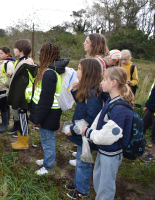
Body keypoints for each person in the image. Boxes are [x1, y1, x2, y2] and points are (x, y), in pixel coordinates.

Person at [81, 67, 133, 200]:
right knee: (99, 180)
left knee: (106, 186)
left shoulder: (120, 108)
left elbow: (107, 136)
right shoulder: (112, 101)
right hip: (104, 151)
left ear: (113, 83)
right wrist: (90, 132)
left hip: (111, 153)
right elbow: (99, 119)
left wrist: (88, 132)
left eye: (104, 80)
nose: (101, 83)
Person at [64, 58, 103, 199]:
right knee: (80, 160)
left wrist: (74, 129)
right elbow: (82, 105)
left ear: (88, 72)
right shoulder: (88, 90)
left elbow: (91, 117)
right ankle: (77, 183)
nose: (77, 71)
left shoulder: (93, 93)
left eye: (80, 69)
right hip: (82, 133)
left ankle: (82, 189)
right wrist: (75, 92)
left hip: (85, 134)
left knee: (84, 162)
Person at [29, 43, 67, 175]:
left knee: (48, 139)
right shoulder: (48, 69)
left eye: (41, 52)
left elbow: (46, 100)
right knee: (45, 137)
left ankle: (48, 167)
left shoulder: (50, 73)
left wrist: (38, 118)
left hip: (49, 112)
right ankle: (47, 159)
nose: (39, 54)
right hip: (46, 111)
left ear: (47, 55)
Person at [7, 39, 37, 149]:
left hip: (23, 98)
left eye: (15, 47)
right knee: (21, 118)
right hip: (22, 97)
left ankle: (24, 142)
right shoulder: (24, 61)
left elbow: (21, 85)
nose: (13, 49)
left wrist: (15, 99)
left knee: (23, 119)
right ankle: (20, 139)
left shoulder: (24, 64)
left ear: (21, 50)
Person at [0, 46, 15, 133]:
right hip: (1, 87)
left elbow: (10, 77)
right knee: (4, 104)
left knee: (2, 105)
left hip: (6, 88)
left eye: (1, 53)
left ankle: (5, 124)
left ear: (7, 54)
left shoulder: (9, 63)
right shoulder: (3, 62)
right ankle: (5, 121)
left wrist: (9, 89)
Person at [141, 81, 155, 162]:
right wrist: (147, 105)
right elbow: (152, 94)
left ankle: (152, 155)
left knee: (154, 133)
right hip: (151, 109)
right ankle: (137, 146)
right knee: (141, 126)